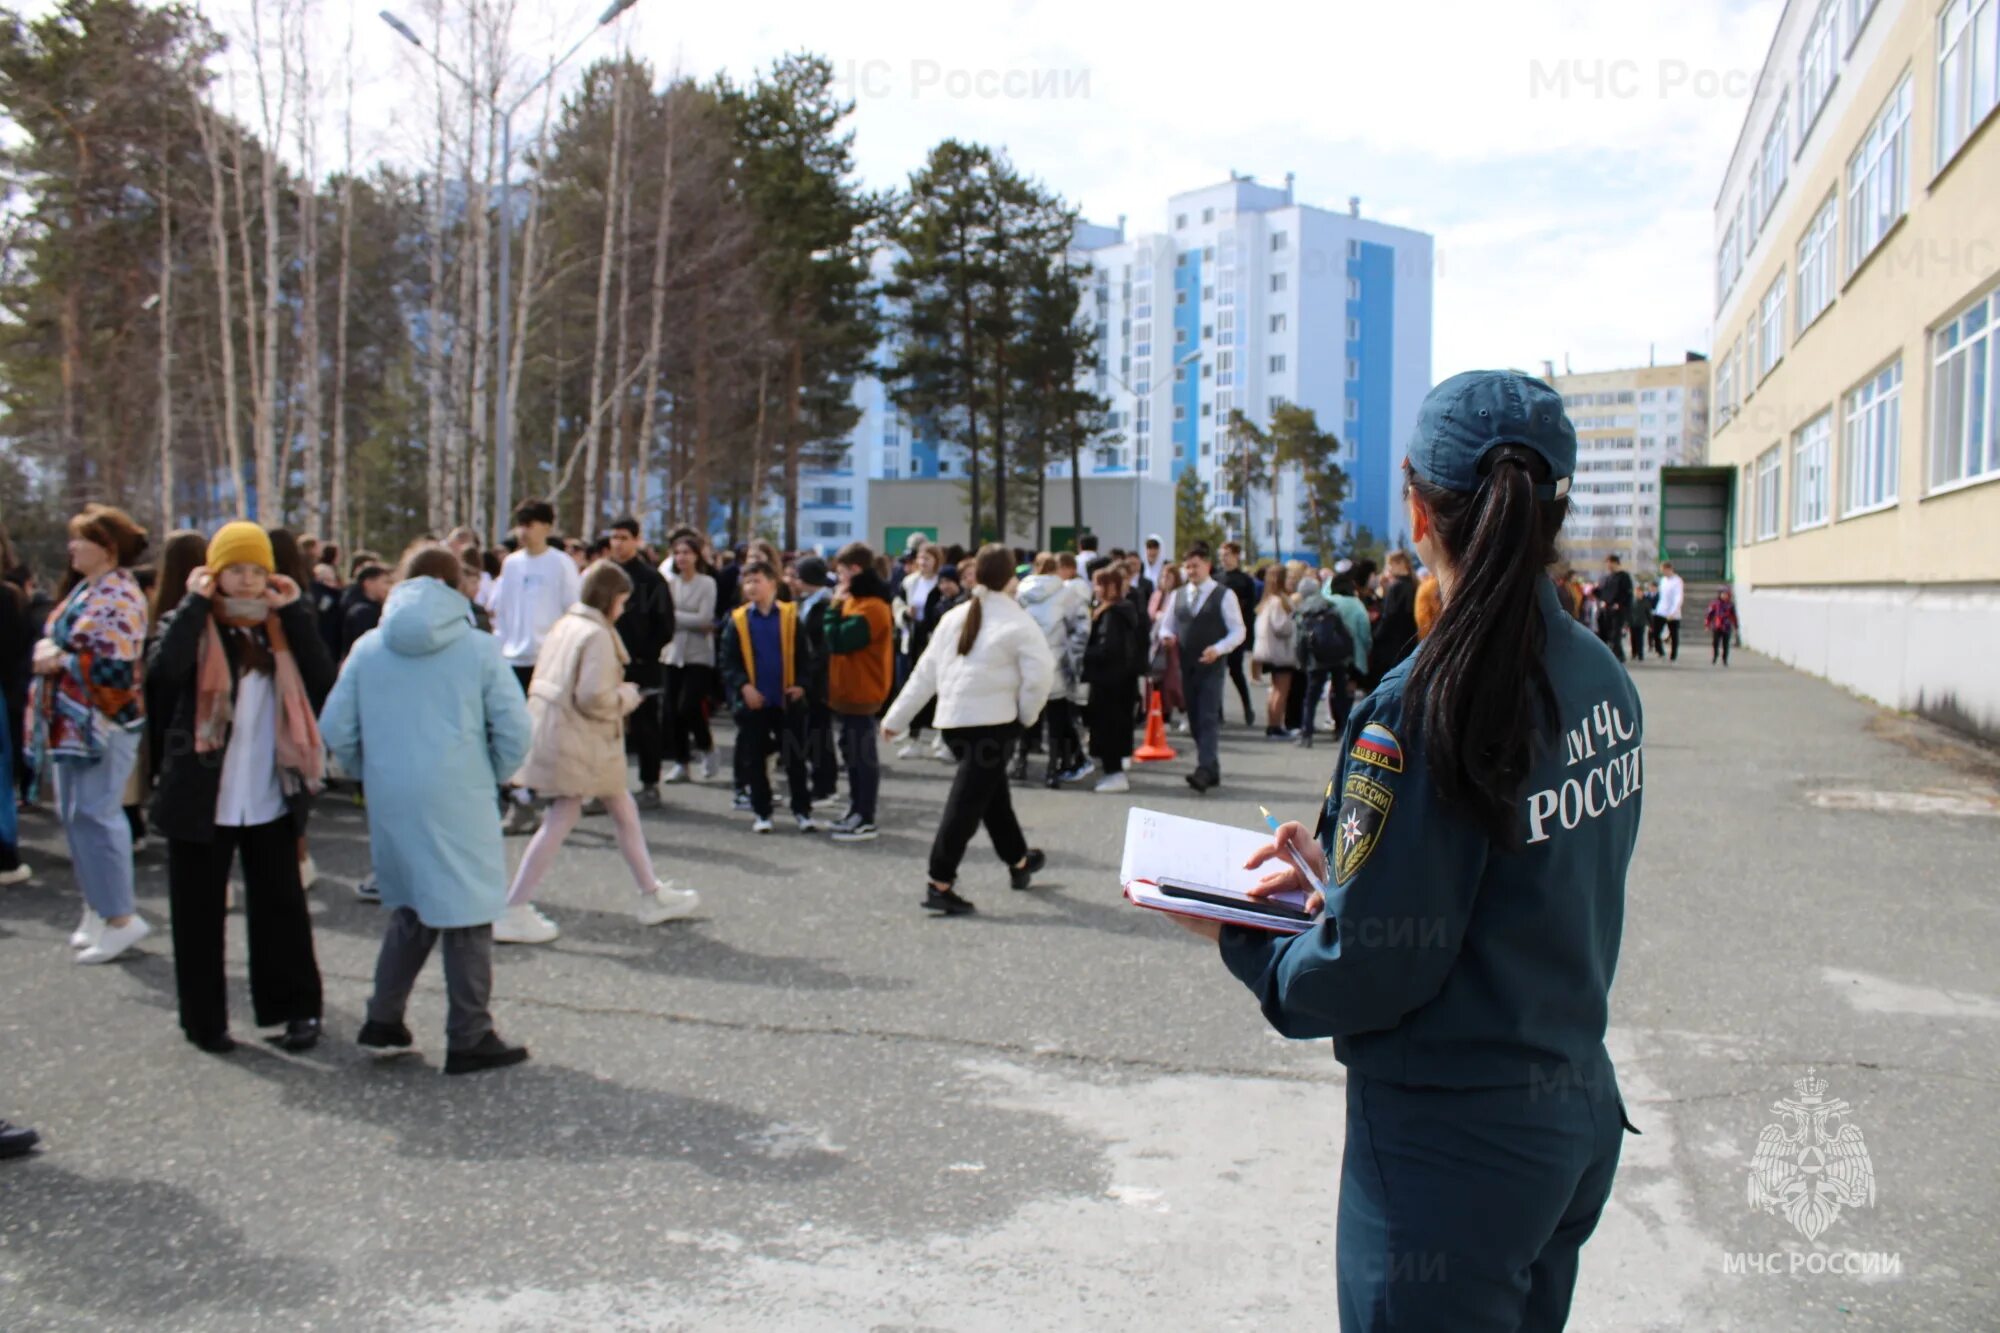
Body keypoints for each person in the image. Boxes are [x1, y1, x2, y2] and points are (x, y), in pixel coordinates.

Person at [1192, 369, 1642, 1331]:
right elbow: (1515, 876)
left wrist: (1240, 931)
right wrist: (1341, 867)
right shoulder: (1600, 673)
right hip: (1567, 1117)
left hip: (1453, 1150)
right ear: (1554, 506)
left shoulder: (1423, 702)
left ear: (1415, 503)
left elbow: (1366, 969)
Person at [319, 546, 536, 1075]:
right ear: (454, 584)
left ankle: (383, 1019)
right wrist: (492, 771)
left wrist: (368, 767)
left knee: (413, 905)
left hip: (392, 791)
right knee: (466, 910)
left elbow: (336, 728)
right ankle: (470, 1033)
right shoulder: (477, 648)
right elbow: (515, 729)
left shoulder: (369, 647)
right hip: (458, 788)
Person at [147, 523, 333, 1054]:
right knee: (198, 915)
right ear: (215, 574)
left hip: (270, 789)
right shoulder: (191, 623)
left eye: (256, 570)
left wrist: (295, 612)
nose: (248, 582)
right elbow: (164, 671)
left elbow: (322, 679)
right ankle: (205, 1021)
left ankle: (293, 1010)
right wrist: (194, 604)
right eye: (236, 571)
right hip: (202, 793)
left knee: (281, 907)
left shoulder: (280, 628)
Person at [497, 561, 702, 945]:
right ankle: (515, 905)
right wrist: (627, 696)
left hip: (562, 733)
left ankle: (650, 891)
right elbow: (593, 696)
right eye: (622, 601)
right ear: (610, 599)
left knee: (618, 808)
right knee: (567, 815)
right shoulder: (595, 634)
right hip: (581, 738)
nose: (623, 609)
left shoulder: (568, 624)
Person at [882, 544, 1054, 916]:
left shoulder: (954, 617)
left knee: (992, 799)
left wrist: (896, 719)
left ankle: (1020, 861)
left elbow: (924, 674)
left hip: (953, 725)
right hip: (994, 725)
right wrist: (1026, 716)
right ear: (1012, 578)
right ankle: (939, 882)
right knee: (966, 806)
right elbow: (1040, 678)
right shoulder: (1018, 622)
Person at [32, 505, 151, 964]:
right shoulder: (90, 589)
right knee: (76, 814)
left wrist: (59, 658)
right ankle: (98, 907)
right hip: (73, 721)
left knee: (98, 815)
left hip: (103, 723)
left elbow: (116, 670)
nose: (71, 548)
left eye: (81, 540)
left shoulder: (120, 595)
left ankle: (121, 916)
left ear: (108, 548)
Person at [490, 500, 581, 834]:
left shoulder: (561, 564)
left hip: (549, 659)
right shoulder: (512, 565)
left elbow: (572, 611)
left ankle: (560, 795)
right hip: (514, 658)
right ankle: (522, 798)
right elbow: (502, 610)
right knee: (515, 731)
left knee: (550, 732)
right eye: (521, 524)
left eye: (531, 524)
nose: (524, 531)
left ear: (547, 526)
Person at [718, 559, 818, 834]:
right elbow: (728, 661)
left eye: (757, 580)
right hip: (754, 701)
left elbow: (805, 656)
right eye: (747, 581)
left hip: (786, 699)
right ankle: (762, 811)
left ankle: (802, 810)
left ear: (773, 583)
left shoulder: (789, 616)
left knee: (795, 757)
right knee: (755, 758)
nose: (751, 587)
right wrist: (743, 687)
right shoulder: (737, 620)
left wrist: (801, 685)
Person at [1159, 544, 1247, 793]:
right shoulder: (1178, 595)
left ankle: (1204, 769)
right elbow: (1168, 625)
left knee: (1208, 717)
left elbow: (1238, 630)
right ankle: (1212, 768)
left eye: (1195, 566)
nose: (1191, 571)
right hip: (1187, 666)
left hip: (1213, 666)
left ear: (1207, 565)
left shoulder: (1223, 594)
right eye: (1187, 567)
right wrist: (1167, 637)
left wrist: (1218, 649)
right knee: (1195, 720)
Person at [822, 542, 895, 842]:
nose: (837, 579)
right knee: (851, 755)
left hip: (863, 693)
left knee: (862, 757)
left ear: (854, 570)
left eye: (840, 572)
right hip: (847, 692)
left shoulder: (873, 607)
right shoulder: (857, 600)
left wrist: (833, 608)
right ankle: (855, 810)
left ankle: (865, 816)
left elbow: (838, 639)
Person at [604, 518, 673, 806]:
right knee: (606, 728)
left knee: (646, 727)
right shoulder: (603, 577)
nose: (618, 543)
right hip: (606, 664)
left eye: (624, 537)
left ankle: (649, 783)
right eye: (614, 537)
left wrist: (645, 653)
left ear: (636, 540)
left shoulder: (651, 579)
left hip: (642, 664)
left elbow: (665, 624)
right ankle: (605, 786)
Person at [1016, 554, 1090, 786]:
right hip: (1055, 663)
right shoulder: (1066, 594)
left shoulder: (1021, 593)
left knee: (1027, 716)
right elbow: (1082, 626)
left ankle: (1020, 762)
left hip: (1026, 663)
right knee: (1057, 720)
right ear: (1057, 569)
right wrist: (1072, 655)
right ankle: (1053, 769)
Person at [1081, 563, 1146, 793]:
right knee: (1112, 729)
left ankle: (1114, 774)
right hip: (1117, 683)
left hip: (1111, 684)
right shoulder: (1118, 611)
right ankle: (1113, 770)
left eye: (1100, 584)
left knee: (1109, 729)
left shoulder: (1112, 615)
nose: (1095, 589)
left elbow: (1108, 649)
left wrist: (1082, 652)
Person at [660, 535, 718, 783]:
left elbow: (705, 619)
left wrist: (676, 618)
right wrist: (684, 619)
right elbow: (663, 616)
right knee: (672, 709)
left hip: (698, 654)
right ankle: (681, 762)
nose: (682, 557)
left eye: (687, 552)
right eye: (678, 552)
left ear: (697, 555)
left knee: (689, 705)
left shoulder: (706, 583)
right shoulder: (669, 583)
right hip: (672, 653)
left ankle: (706, 747)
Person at [788, 556, 841, 805]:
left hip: (819, 681)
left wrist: (807, 674)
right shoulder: (804, 603)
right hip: (806, 677)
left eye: (797, 576)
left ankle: (825, 785)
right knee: (810, 732)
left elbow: (822, 649)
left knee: (820, 733)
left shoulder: (825, 605)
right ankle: (817, 780)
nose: (793, 581)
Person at [1293, 577, 1354, 750]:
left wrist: (1302, 662)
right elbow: (1343, 631)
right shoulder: (1329, 606)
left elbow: (1300, 641)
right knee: (1341, 695)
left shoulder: (1303, 611)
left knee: (1311, 698)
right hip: (1337, 656)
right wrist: (1347, 653)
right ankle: (1344, 732)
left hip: (1315, 660)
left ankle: (1307, 734)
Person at [1251, 565, 1298, 739]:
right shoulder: (1278, 602)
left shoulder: (1267, 601)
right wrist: (1294, 621)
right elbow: (1282, 627)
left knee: (1275, 690)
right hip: (1280, 652)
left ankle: (1274, 724)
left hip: (1270, 651)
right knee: (1281, 690)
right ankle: (1275, 726)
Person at [1217, 542, 1258, 727]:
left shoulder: (1245, 580)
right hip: (1217, 632)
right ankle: (1218, 712)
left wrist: (1247, 637)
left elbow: (1249, 611)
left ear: (1236, 556)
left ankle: (1247, 706)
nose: (1223, 557)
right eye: (1222, 554)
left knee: (1235, 672)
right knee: (1216, 674)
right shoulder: (1216, 577)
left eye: (1227, 554)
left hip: (1235, 632)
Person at [1364, 550, 1420, 686]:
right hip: (1409, 642)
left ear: (1400, 564)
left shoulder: (1397, 588)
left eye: (1390, 564)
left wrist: (1375, 636)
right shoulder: (1415, 584)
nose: (1387, 568)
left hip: (1392, 646)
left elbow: (1389, 617)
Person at [340, 563, 390, 657]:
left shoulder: (373, 607)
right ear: (368, 583)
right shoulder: (362, 612)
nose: (389, 587)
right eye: (385, 582)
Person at [1594, 555, 1633, 663]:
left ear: (1616, 563)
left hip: (1618, 610)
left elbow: (1627, 594)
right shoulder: (1605, 578)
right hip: (1605, 610)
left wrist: (1620, 604)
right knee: (1605, 633)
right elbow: (1601, 592)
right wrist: (1596, 593)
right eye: (1607, 563)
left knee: (1615, 634)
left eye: (1610, 563)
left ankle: (1618, 656)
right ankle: (1609, 655)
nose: (1608, 566)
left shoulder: (1623, 577)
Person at [1655, 561, 1685, 662]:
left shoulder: (1677, 581)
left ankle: (1673, 655)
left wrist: (1673, 612)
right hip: (1661, 610)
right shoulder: (1663, 580)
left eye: (1664, 570)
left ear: (1669, 569)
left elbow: (1678, 597)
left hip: (1673, 613)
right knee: (1655, 632)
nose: (1663, 573)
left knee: (1673, 634)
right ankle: (1660, 651)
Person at [1707, 586, 1740, 666]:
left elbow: (1734, 616)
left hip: (1726, 626)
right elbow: (1710, 614)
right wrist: (1707, 624)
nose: (1724, 596)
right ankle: (1715, 656)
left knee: (1726, 644)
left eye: (1726, 594)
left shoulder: (1730, 605)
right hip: (1717, 626)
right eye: (1723, 594)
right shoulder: (1715, 603)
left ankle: (1725, 659)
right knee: (1715, 642)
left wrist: (1736, 625)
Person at [1629, 579, 1655, 663]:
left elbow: (1649, 614)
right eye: (1636, 591)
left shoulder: (1646, 602)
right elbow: (1628, 613)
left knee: (1640, 639)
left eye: (1640, 591)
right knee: (1633, 638)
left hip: (1641, 623)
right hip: (1632, 623)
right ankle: (1634, 653)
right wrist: (1626, 623)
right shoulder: (1631, 601)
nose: (1638, 593)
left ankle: (1640, 654)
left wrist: (1651, 625)